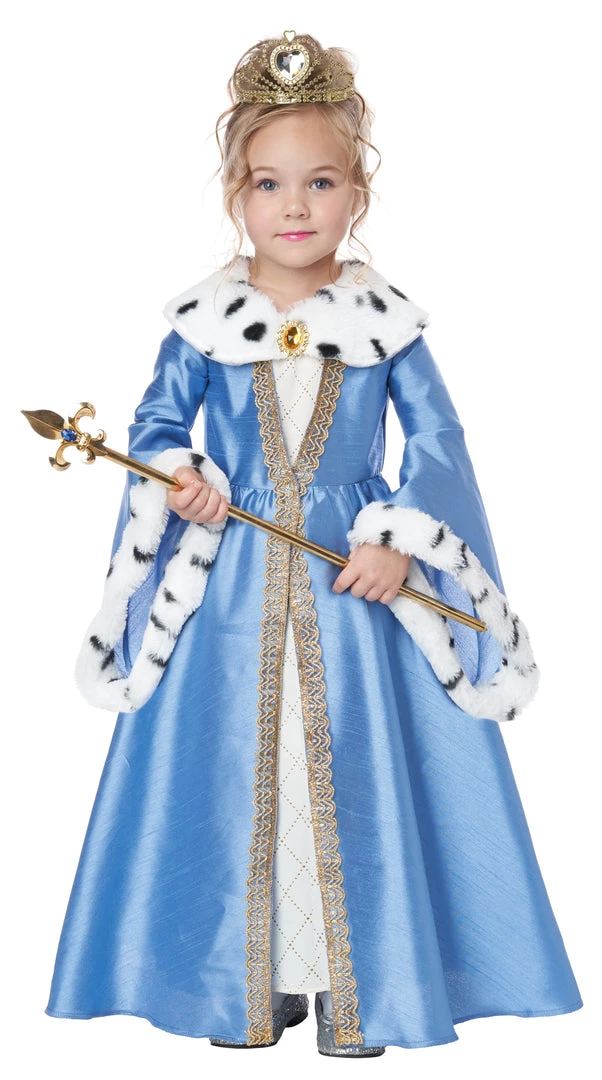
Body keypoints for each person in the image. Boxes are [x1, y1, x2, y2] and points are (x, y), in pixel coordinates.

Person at [45, 30, 582, 1057]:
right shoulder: (202, 324)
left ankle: (356, 984)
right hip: (229, 599)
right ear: (235, 195)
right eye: (268, 184)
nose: (294, 207)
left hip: (353, 595)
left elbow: (436, 443)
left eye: (320, 182)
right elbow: (155, 428)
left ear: (356, 195)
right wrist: (180, 477)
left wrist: (398, 539)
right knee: (239, 771)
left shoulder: (387, 326)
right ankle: (245, 984)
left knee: (353, 772)